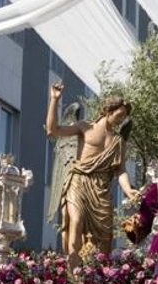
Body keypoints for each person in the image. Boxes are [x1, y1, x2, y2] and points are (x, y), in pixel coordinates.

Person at [45, 84, 138, 257]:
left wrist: (128, 190)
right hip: (78, 181)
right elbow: (53, 130)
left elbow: (121, 170)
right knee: (76, 220)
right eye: (119, 115)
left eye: (124, 117)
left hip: (101, 188)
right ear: (108, 110)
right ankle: (73, 272)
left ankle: (97, 276)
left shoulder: (118, 141)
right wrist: (55, 100)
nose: (121, 120)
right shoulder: (85, 127)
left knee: (104, 235)